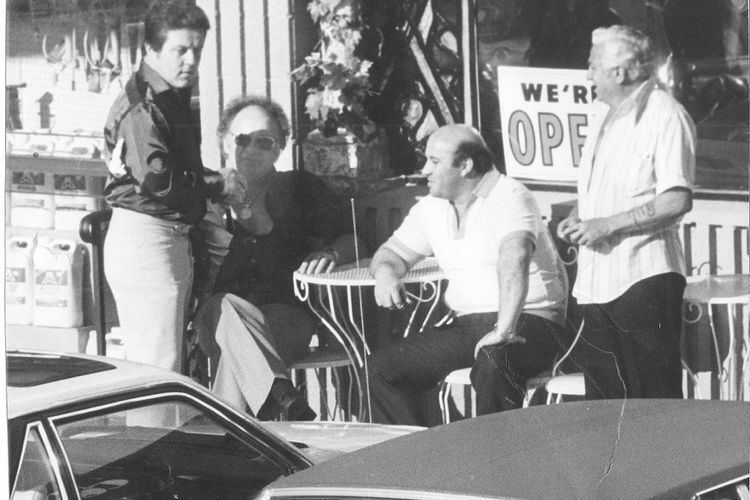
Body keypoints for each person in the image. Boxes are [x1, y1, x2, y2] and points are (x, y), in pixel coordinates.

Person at [368, 124, 570, 426]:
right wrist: (385, 274)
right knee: (384, 368)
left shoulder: (509, 195)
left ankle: (499, 465)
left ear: (465, 165)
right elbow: (391, 254)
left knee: (493, 363)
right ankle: (423, 457)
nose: (425, 170)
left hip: (530, 320)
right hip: (468, 324)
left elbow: (514, 258)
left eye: (434, 162)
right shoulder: (432, 207)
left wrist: (503, 330)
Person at [191, 95, 360, 420]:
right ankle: (279, 399)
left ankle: (265, 409)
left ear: (280, 146)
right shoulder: (204, 195)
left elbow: (354, 239)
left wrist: (331, 252)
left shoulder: (300, 188)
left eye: (264, 142)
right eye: (242, 139)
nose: (251, 149)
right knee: (229, 307)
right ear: (225, 142)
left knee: (240, 353)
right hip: (216, 316)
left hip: (285, 315)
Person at [557, 25, 696, 399]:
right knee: (604, 407)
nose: (588, 76)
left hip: (643, 280)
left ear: (619, 73)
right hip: (595, 284)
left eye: (593, 67)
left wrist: (607, 225)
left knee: (652, 405)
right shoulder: (602, 113)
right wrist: (578, 215)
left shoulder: (665, 114)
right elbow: (602, 192)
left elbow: (677, 199)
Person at [102, 0, 241, 373]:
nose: (191, 60)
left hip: (165, 239)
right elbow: (159, 180)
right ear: (150, 49)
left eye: (197, 50)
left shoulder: (167, 94)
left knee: (168, 369)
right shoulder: (143, 104)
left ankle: (164, 433)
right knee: (157, 373)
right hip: (147, 242)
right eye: (181, 50)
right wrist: (218, 184)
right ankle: (156, 435)